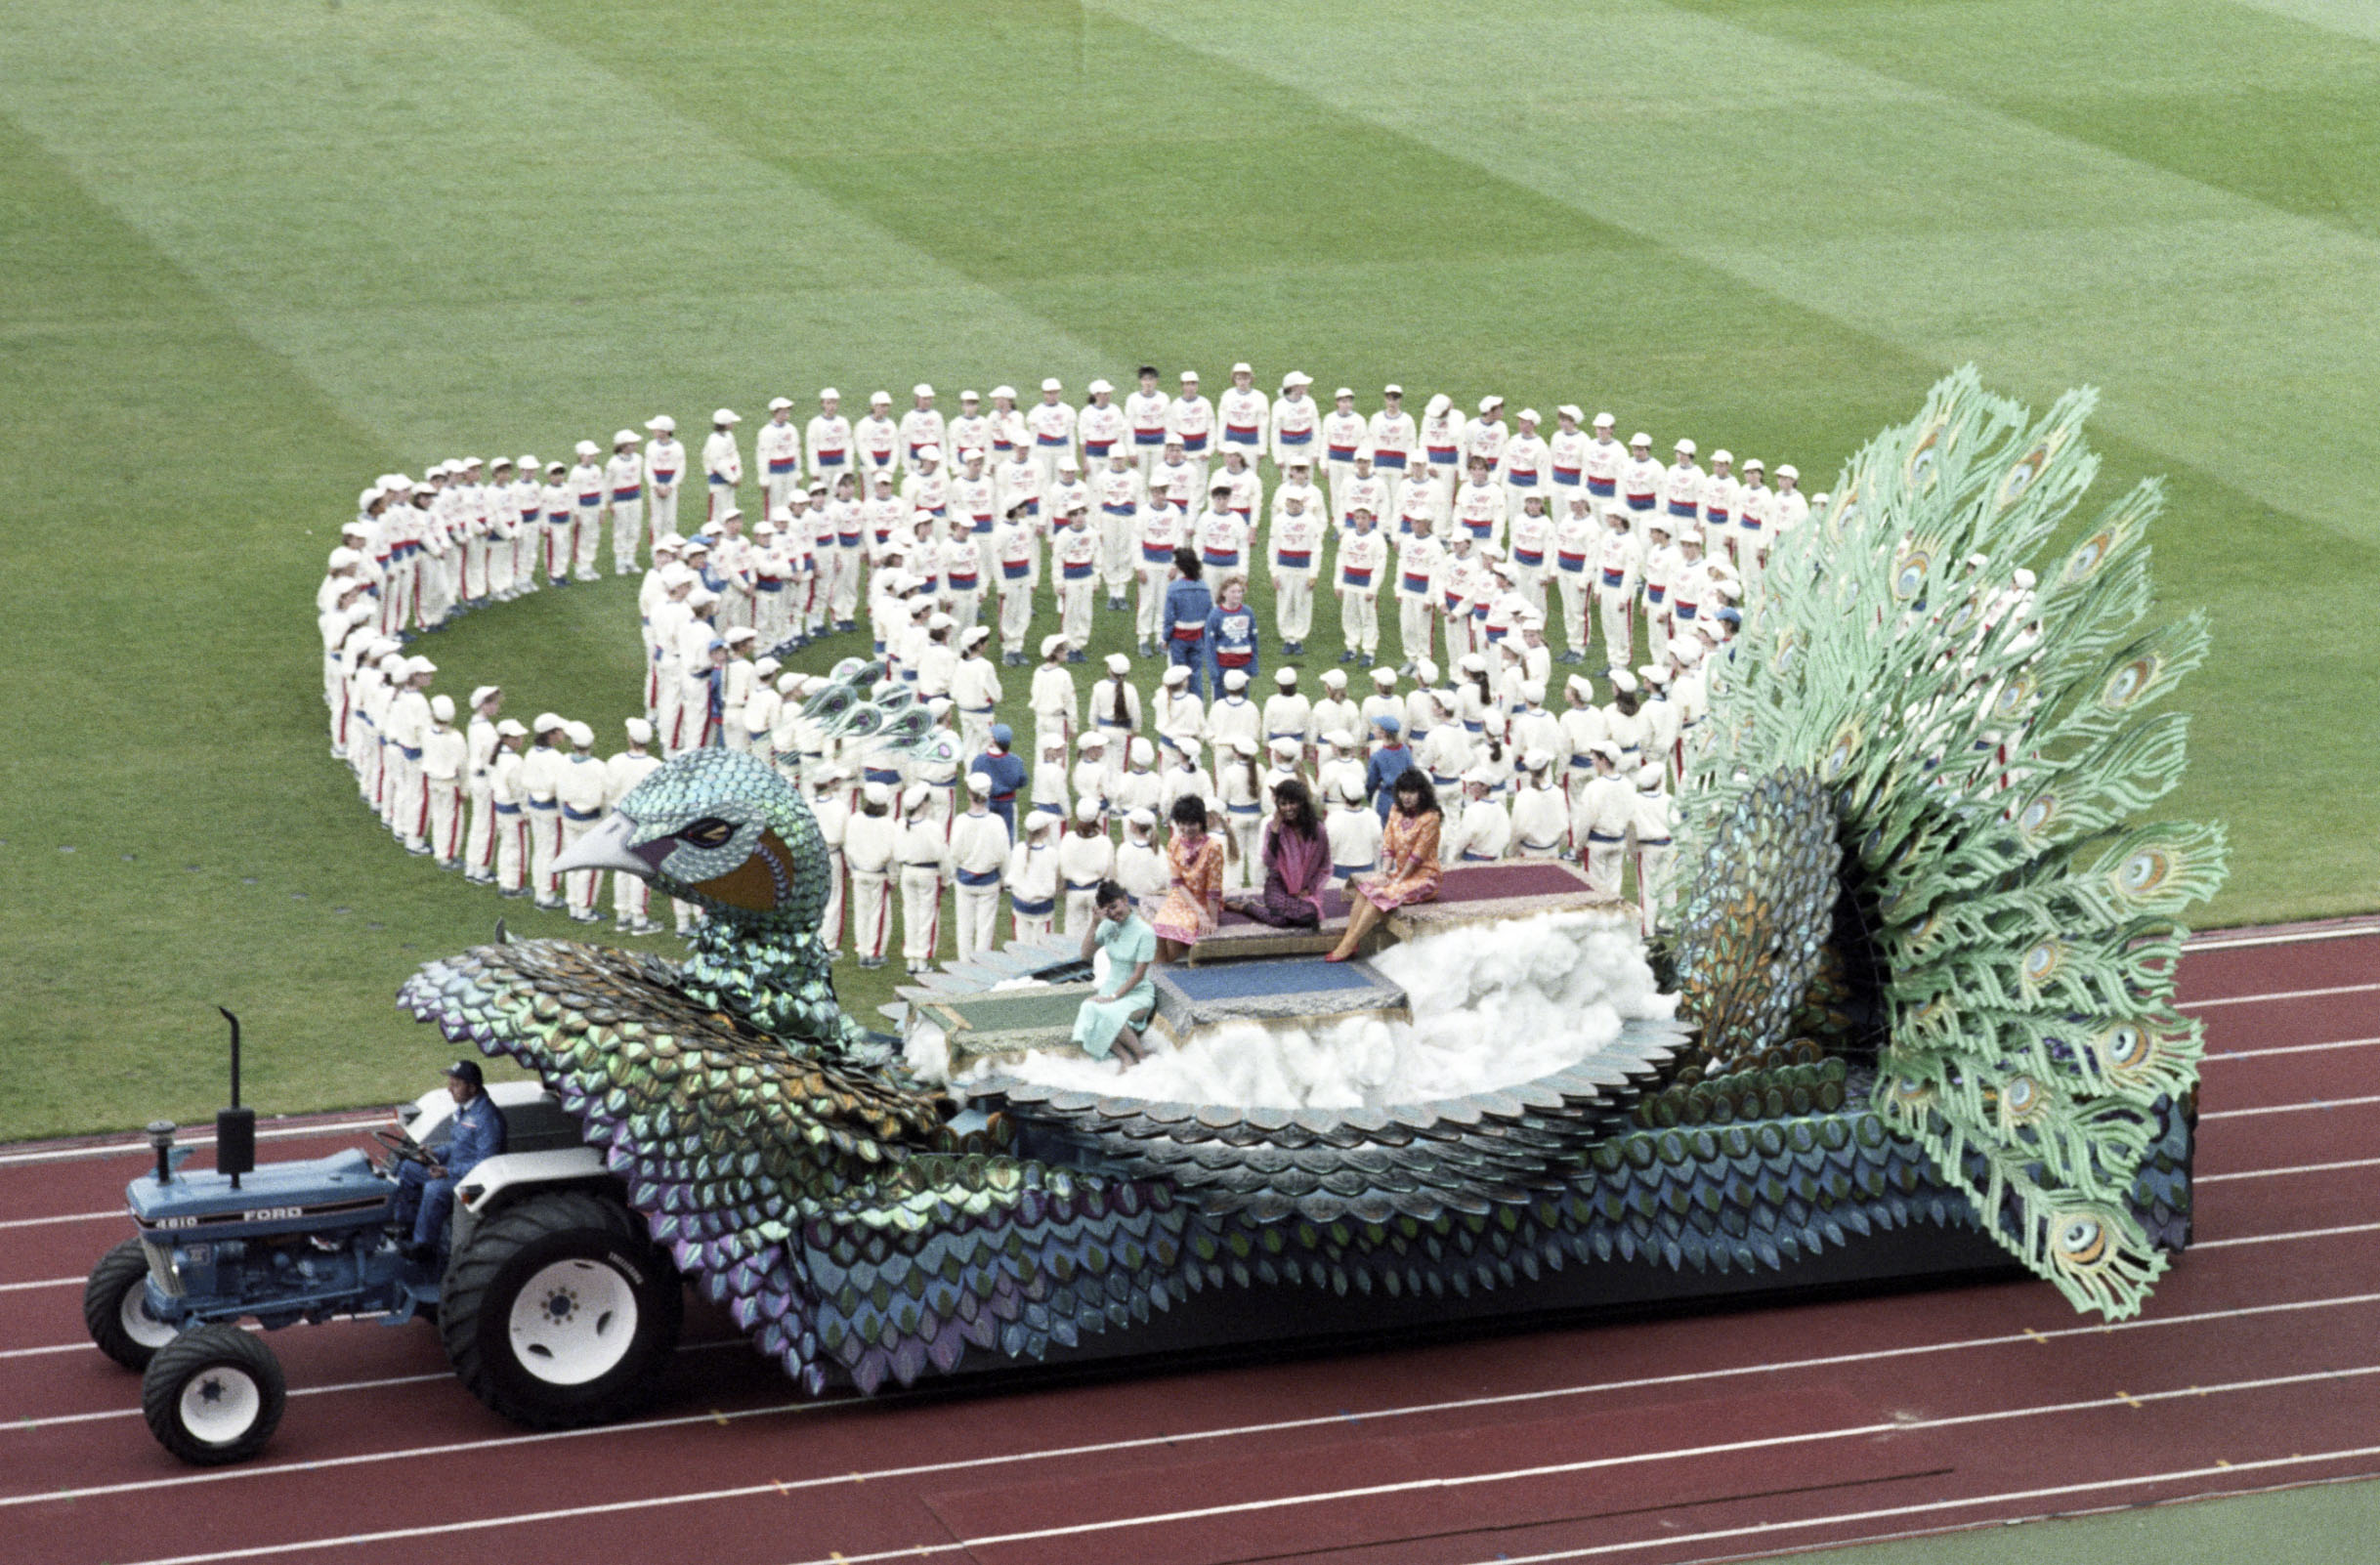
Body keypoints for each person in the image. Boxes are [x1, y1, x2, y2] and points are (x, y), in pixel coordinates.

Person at [388, 1060, 505, 1263]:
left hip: (472, 1181)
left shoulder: (487, 1118)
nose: (449, 1089)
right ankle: (406, 1224)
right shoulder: (465, 1108)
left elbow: (487, 1162)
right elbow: (457, 1145)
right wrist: (435, 1153)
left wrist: (447, 1172)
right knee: (408, 1168)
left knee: (435, 1190)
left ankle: (423, 1247)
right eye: (450, 1083)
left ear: (472, 1087)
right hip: (452, 1170)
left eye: (456, 1084)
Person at [1326, 771, 1443, 961]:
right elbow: (1388, 844)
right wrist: (1384, 873)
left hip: (1425, 877)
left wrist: (1397, 880)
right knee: (1366, 889)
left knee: (1380, 895)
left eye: (1412, 792)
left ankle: (1350, 943)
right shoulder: (1395, 810)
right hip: (1400, 871)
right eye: (1403, 791)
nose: (1406, 796)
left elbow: (1417, 856)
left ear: (1422, 793)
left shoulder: (1431, 817)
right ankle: (1349, 938)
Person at [1071, 881, 1160, 1065]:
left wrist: (1112, 997)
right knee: (1088, 1008)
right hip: (1112, 986)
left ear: (1125, 900)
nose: (1113, 913)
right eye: (1107, 910)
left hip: (1137, 992)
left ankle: (1141, 1056)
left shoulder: (1145, 932)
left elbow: (1138, 975)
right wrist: (1094, 924)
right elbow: (1085, 954)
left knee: (1109, 1013)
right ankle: (1125, 1057)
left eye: (1114, 906)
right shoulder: (1108, 926)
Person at [1225, 779, 1331, 929]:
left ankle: (1260, 908)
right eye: (1283, 804)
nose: (1288, 808)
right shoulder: (1272, 827)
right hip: (1277, 885)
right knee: (1280, 921)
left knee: (1309, 915)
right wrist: (1275, 831)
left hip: (1305, 889)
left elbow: (1325, 866)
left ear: (1302, 803)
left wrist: (1310, 888)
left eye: (1292, 803)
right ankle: (1246, 907)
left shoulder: (1318, 830)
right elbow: (1269, 862)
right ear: (1278, 806)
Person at [1149, 794, 1227, 960]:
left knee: (1176, 932)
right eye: (1182, 824)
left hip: (1205, 899)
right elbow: (1178, 883)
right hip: (1181, 897)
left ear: (1201, 822)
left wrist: (1210, 919)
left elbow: (1214, 889)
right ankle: (1161, 972)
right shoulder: (1174, 843)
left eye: (1191, 823)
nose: (1186, 829)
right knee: (1158, 929)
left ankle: (1172, 972)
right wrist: (1198, 912)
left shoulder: (1213, 847)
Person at [1162, 547, 1214, 700]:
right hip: (1197, 636)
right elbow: (1208, 613)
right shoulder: (1204, 587)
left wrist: (1165, 638)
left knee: (1178, 673)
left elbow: (1170, 617)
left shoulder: (1174, 588)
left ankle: (1179, 704)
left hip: (1178, 638)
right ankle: (1197, 705)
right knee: (1196, 673)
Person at [967, 723, 1027, 840]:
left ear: (994, 741)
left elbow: (973, 781)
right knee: (1008, 835)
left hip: (986, 802)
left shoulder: (980, 760)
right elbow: (1022, 781)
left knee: (986, 835)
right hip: (1008, 803)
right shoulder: (1016, 761)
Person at [1363, 712, 1418, 820]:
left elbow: (1371, 783)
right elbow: (1412, 773)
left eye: (1376, 728)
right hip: (1404, 798)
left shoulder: (1378, 756)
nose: (1373, 730)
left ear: (1383, 733)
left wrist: (1370, 797)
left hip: (1385, 798)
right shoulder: (1405, 750)